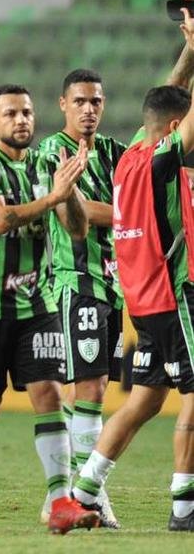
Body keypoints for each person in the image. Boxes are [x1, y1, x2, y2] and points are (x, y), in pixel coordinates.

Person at [0, 84, 98, 534]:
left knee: (50, 395)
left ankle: (60, 502)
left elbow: (77, 230)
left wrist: (69, 190)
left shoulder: (46, 164)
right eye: (11, 113)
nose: (22, 120)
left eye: (28, 113)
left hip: (38, 302)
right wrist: (53, 197)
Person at [67, 78, 194, 532]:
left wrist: (189, 54)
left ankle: (84, 490)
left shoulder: (129, 158)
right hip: (174, 295)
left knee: (144, 401)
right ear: (175, 129)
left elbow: (171, 92)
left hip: (141, 301)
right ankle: (185, 506)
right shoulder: (162, 160)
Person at [37, 69, 126, 527]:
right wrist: (133, 212)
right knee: (89, 386)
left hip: (114, 283)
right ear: (63, 105)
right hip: (75, 280)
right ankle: (90, 494)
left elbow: (157, 137)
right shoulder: (51, 152)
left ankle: (64, 491)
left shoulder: (114, 152)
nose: (88, 109)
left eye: (95, 101)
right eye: (79, 102)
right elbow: (78, 212)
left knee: (93, 389)